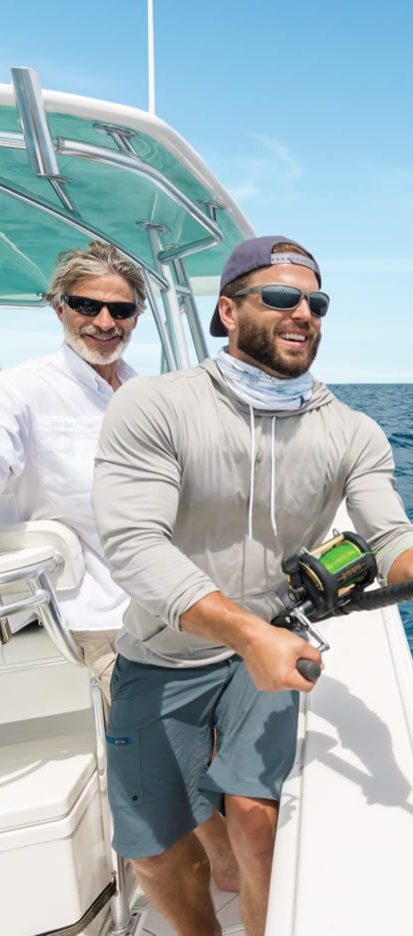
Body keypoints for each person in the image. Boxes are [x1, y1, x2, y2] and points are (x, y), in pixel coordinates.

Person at [92, 235, 413, 936]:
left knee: (256, 815)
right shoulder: (153, 405)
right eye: (280, 296)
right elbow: (133, 543)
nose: (303, 312)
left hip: (274, 636)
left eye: (316, 302)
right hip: (166, 647)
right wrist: (244, 632)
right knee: (150, 848)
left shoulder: (352, 431)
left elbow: (390, 535)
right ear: (229, 313)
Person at [0, 240, 240, 891]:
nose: (105, 323)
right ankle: (223, 869)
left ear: (137, 314)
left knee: (245, 701)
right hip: (95, 613)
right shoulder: (19, 394)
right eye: (87, 305)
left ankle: (232, 851)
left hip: (174, 594)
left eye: (121, 309)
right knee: (174, 740)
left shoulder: (148, 392)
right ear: (59, 306)